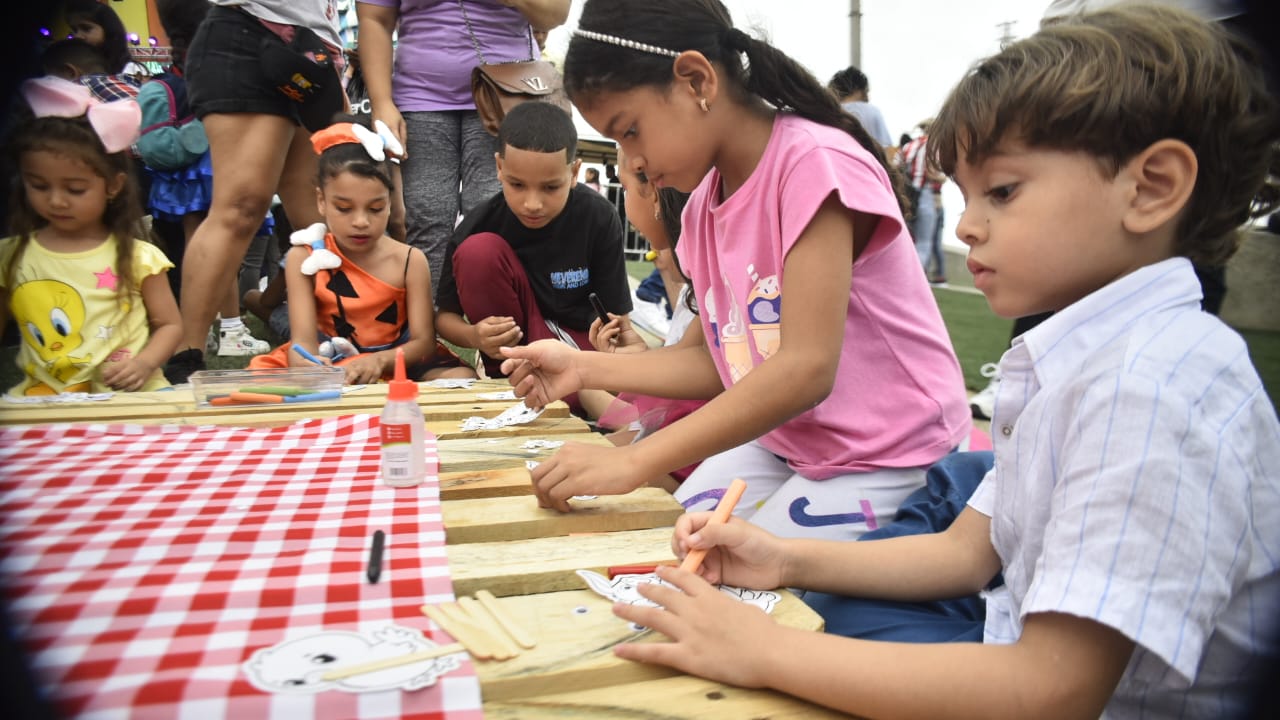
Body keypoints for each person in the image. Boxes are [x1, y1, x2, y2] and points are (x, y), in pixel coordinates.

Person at [602, 6, 1280, 717]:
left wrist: (763, 651)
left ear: (1152, 186)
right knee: (810, 604)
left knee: (795, 643)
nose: (964, 226)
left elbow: (1056, 690)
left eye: (1003, 192)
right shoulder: (1082, 356)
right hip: (1005, 624)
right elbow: (965, 554)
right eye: (962, 195)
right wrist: (784, 557)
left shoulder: (1150, 389)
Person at [500, 0, 970, 541]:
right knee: (670, 547)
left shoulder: (814, 165)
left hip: (892, 452)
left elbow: (806, 369)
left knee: (726, 580)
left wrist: (635, 461)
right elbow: (711, 361)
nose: (634, 161)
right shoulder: (702, 208)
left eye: (629, 131)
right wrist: (582, 368)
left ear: (696, 80)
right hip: (790, 444)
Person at [163, 0, 347, 383]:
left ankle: (346, 342)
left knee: (325, 220)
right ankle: (184, 357)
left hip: (315, 52)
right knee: (241, 207)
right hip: (250, 32)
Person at [355, 0, 571, 304]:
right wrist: (381, 102)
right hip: (419, 98)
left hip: (507, 94)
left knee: (497, 218)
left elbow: (556, 12)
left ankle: (504, 332)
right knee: (425, 217)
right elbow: (374, 18)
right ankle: (423, 332)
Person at [249, 120, 475, 384]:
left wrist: (378, 361)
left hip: (399, 362)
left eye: (375, 208)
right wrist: (312, 366)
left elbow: (423, 343)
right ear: (322, 201)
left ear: (390, 203)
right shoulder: (305, 258)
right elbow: (303, 344)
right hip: (332, 361)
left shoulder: (410, 260)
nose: (360, 222)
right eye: (344, 208)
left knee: (461, 377)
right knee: (261, 380)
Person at [1, 77, 181, 396]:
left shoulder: (140, 256)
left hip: (135, 395)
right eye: (39, 186)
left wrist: (144, 363)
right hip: (46, 399)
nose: (57, 200)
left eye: (75, 189)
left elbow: (170, 325)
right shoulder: (10, 255)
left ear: (113, 186)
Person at [434, 101, 634, 389]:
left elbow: (618, 318)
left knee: (595, 389)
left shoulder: (599, 217)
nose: (532, 204)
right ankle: (507, 379)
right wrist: (475, 336)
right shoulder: (478, 224)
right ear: (499, 168)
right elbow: (445, 317)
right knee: (478, 253)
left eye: (551, 187)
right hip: (515, 353)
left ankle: (562, 389)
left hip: (578, 342)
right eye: (517, 185)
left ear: (574, 172)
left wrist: (613, 359)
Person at [144, 0, 274, 359]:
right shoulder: (225, 54)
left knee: (210, 239)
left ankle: (203, 336)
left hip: (189, 176)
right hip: (204, 171)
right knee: (229, 236)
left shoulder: (176, 76)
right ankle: (227, 328)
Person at [584, 149, 703, 489]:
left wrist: (581, 367)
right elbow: (689, 362)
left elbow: (703, 378)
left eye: (622, 186)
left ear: (652, 190)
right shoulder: (696, 288)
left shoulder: (709, 285)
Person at [900, 120, 946, 283]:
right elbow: (931, 173)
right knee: (924, 242)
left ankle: (902, 276)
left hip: (907, 193)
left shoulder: (909, 146)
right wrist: (944, 178)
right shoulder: (933, 147)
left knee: (906, 240)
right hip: (925, 194)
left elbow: (897, 167)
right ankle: (914, 281)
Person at [64, 0, 145, 80]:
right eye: (74, 30)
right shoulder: (71, 67)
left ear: (109, 30)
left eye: (86, 29)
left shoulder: (131, 69)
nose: (78, 36)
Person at [827, 65, 895, 159]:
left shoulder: (829, 113)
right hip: (869, 169)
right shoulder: (872, 111)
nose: (867, 96)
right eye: (867, 90)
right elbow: (888, 149)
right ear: (859, 90)